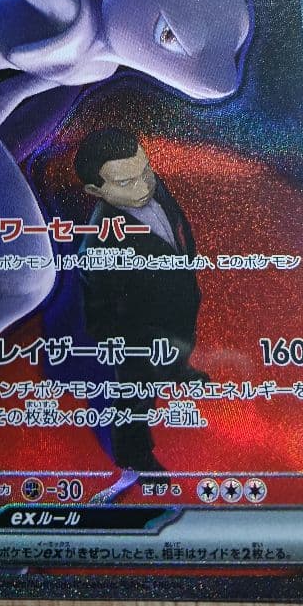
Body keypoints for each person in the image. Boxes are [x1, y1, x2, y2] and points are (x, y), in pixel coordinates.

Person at [74, 127, 208, 473]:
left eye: (145, 171)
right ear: (95, 191)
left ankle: (176, 370)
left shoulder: (153, 186)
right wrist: (132, 345)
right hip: (139, 336)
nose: (144, 185)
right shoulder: (98, 245)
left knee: (180, 346)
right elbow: (99, 315)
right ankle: (134, 455)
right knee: (135, 396)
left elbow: (176, 225)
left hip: (176, 305)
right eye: (126, 182)